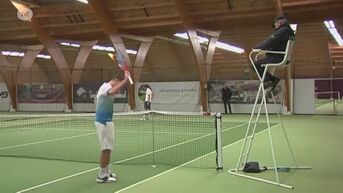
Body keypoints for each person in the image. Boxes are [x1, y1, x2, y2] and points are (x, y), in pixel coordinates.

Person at [94, 71, 130, 183]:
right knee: (106, 149)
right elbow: (112, 91)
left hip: (107, 121)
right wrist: (125, 80)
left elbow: (96, 100)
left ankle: (106, 171)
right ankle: (102, 176)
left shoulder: (104, 88)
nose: (118, 89)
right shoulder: (106, 87)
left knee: (108, 148)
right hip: (103, 122)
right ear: (115, 80)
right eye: (118, 84)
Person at [253, 15, 295, 91]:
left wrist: (257, 47)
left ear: (280, 22)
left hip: (277, 57)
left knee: (255, 64)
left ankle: (271, 80)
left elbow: (270, 41)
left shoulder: (283, 31)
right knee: (259, 64)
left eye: (275, 23)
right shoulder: (289, 31)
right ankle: (271, 80)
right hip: (282, 56)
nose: (274, 25)